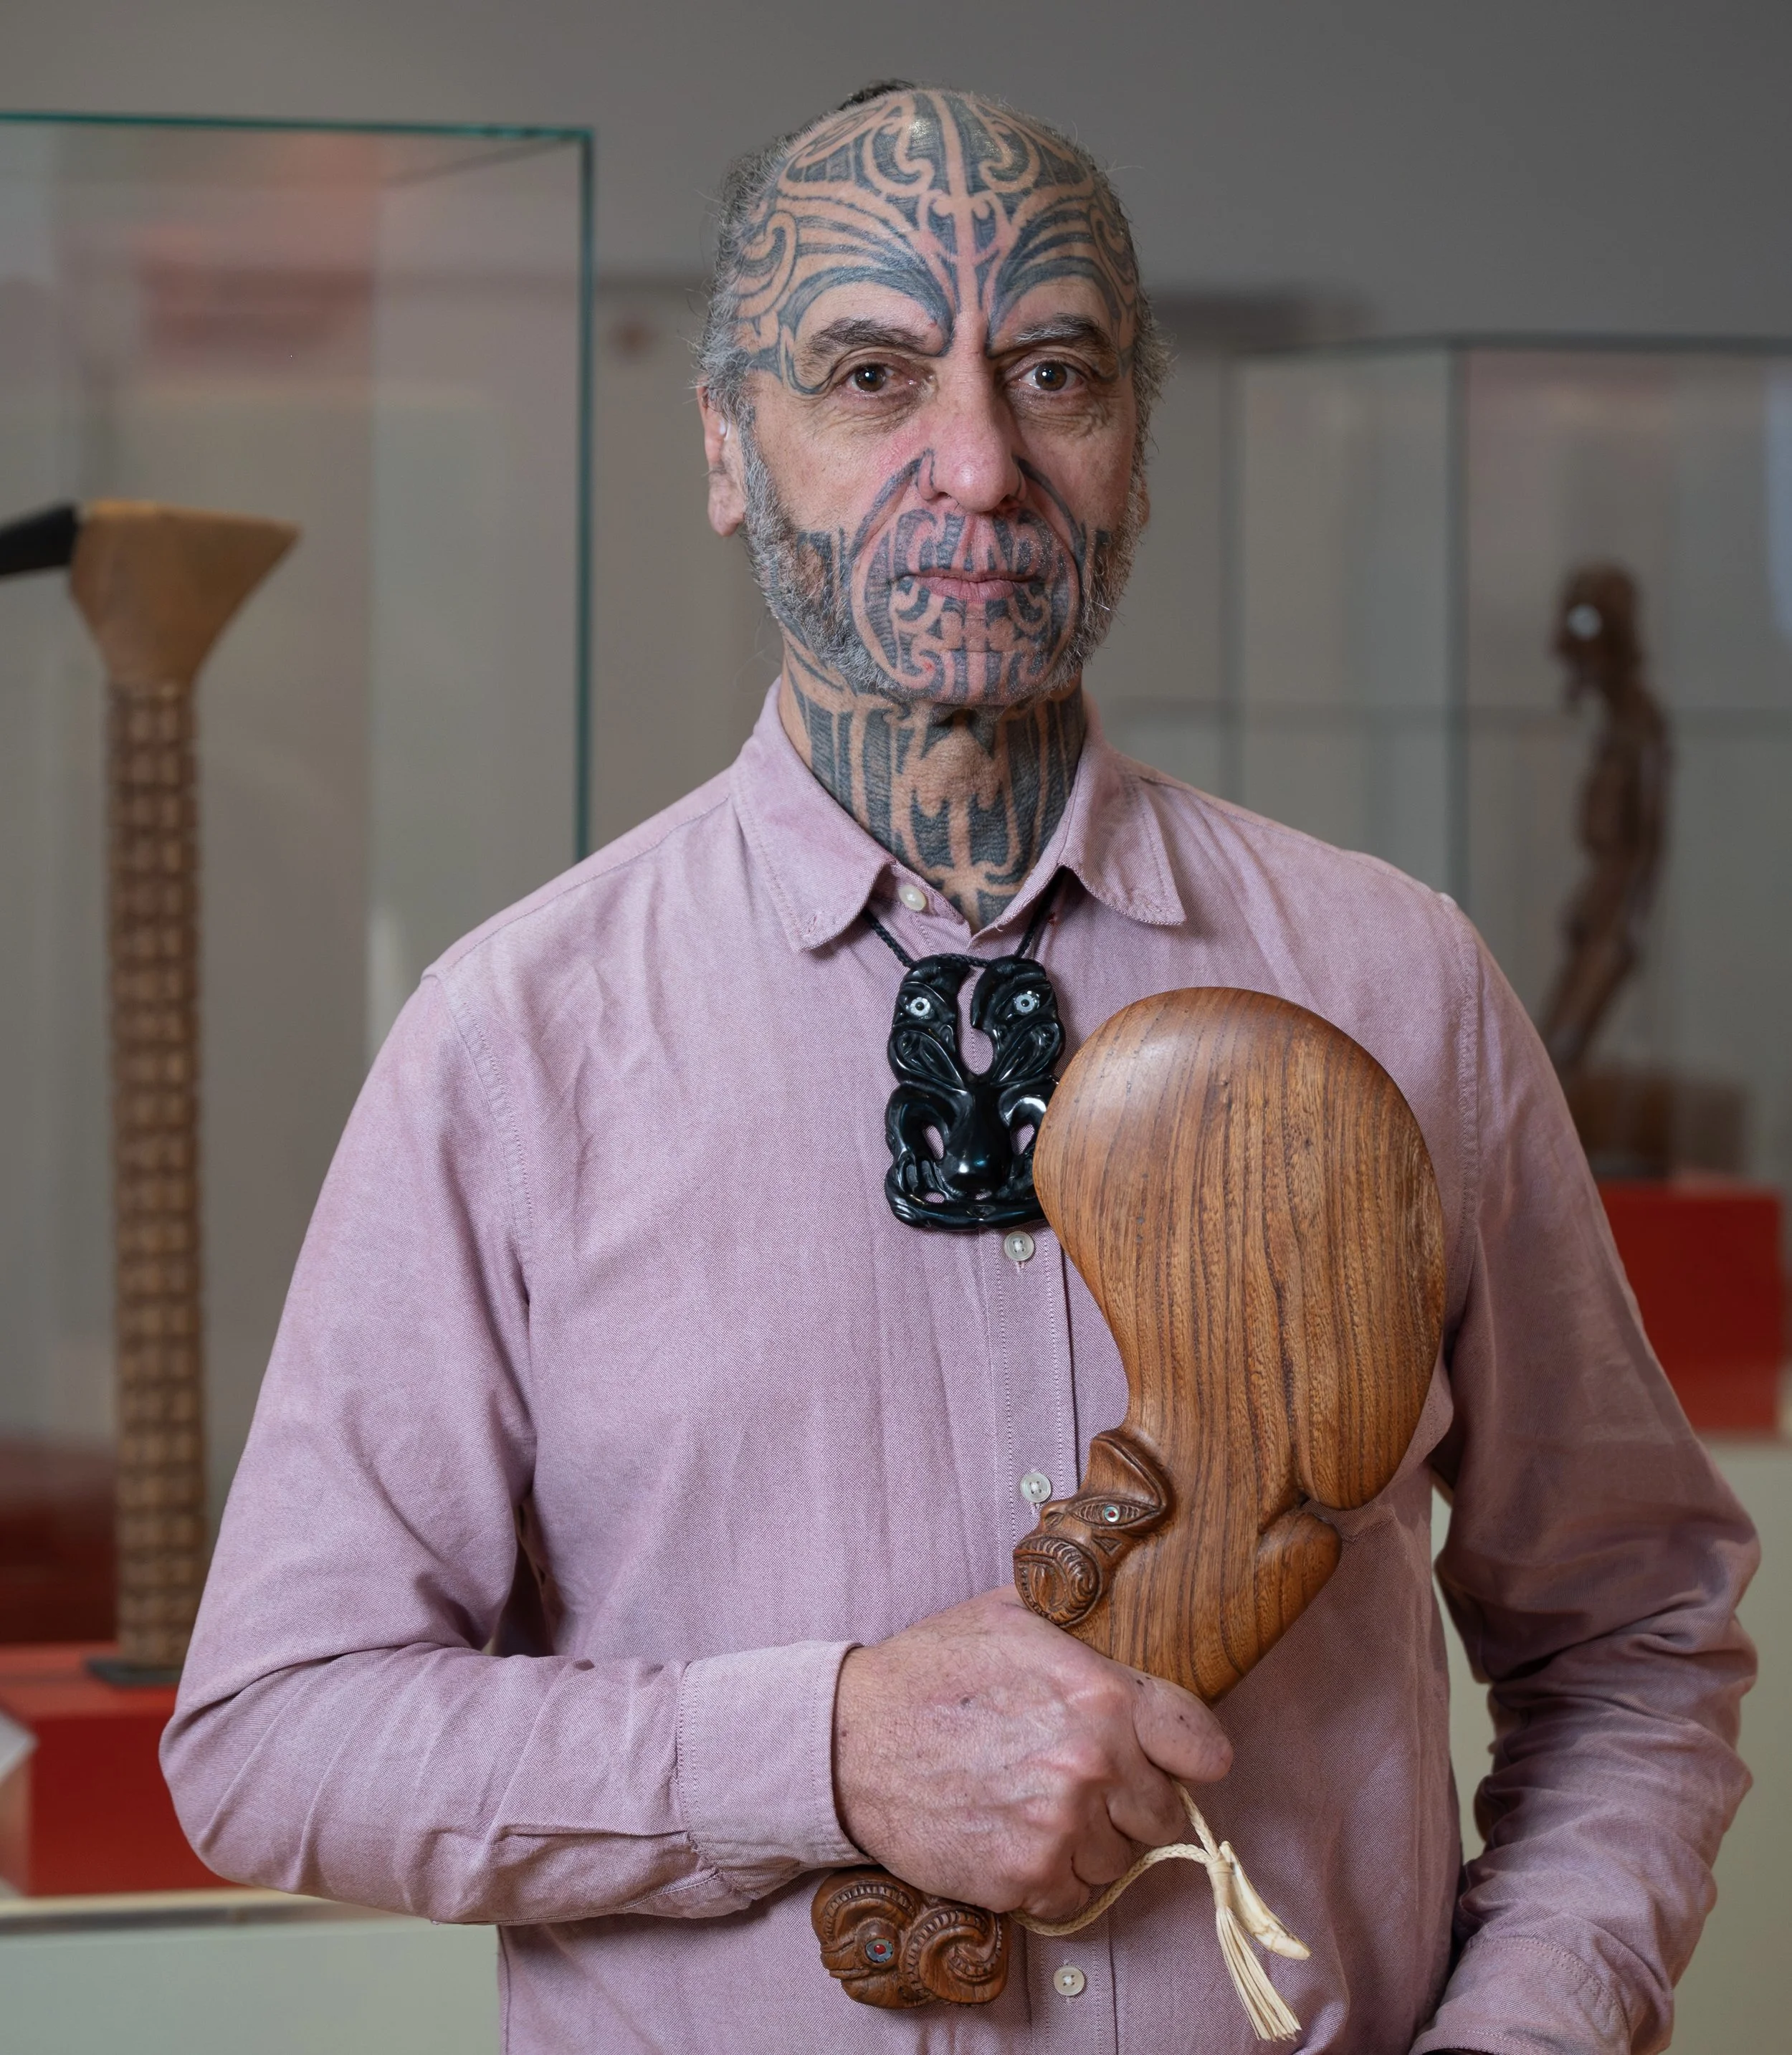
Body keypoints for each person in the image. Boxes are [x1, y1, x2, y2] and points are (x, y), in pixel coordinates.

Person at [163, 84, 1756, 2054]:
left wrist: (1520, 2035)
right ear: (730, 446)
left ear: (1136, 443)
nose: (980, 465)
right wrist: (820, 1750)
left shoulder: (1395, 978)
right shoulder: (519, 1040)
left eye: (1054, 371)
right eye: (869, 374)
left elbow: (1632, 1637)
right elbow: (273, 1737)